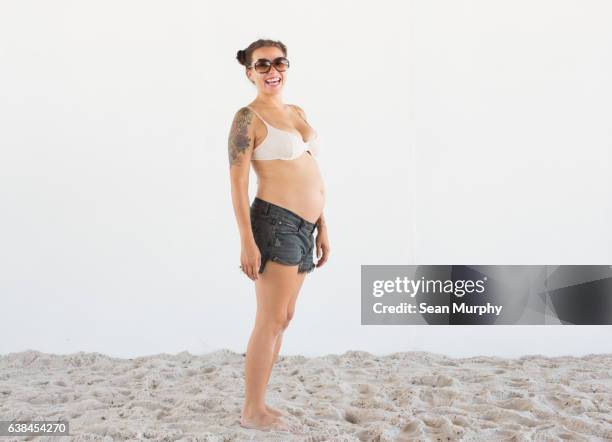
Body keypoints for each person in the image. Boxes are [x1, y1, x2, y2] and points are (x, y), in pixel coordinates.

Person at [227, 39, 330, 432]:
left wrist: (323, 223)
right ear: (249, 72)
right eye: (263, 64)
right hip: (276, 223)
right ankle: (252, 410)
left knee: (284, 318)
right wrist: (246, 240)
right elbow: (237, 185)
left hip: (306, 226)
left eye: (279, 63)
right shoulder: (246, 118)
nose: (273, 71)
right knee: (269, 319)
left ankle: (261, 404)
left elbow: (310, 171)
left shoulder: (296, 111)